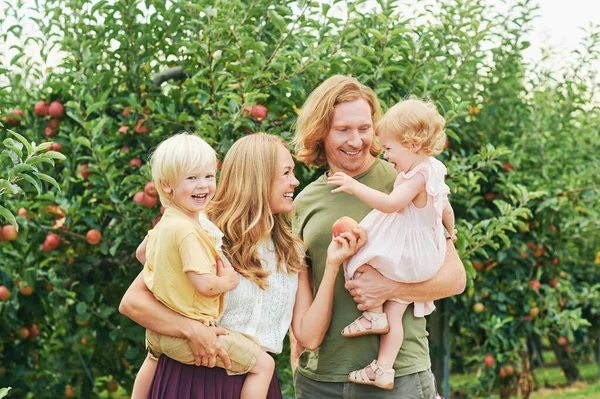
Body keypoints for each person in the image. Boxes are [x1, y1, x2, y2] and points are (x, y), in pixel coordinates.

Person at [119, 133, 366, 399]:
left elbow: (309, 337)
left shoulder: (291, 251)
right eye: (285, 173)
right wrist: (192, 330)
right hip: (191, 378)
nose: (294, 182)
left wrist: (332, 264)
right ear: (258, 178)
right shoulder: (202, 231)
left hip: (255, 385)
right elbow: (132, 302)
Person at [291, 75, 466, 398]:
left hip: (398, 378)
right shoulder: (304, 202)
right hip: (320, 381)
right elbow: (300, 293)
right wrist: (298, 361)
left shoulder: (407, 181)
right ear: (320, 132)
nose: (355, 141)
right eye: (343, 130)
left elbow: (455, 279)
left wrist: (391, 288)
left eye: (364, 128)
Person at [130, 132, 274, 399]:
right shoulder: (188, 231)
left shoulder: (166, 224)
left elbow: (142, 253)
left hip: (159, 332)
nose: (204, 185)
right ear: (167, 185)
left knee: (151, 360)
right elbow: (206, 285)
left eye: (209, 176)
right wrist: (228, 281)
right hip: (188, 334)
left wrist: (169, 273)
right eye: (192, 178)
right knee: (264, 365)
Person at [326, 98, 456, 390]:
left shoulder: (418, 174)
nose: (386, 156)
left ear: (411, 143)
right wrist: (451, 229)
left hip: (414, 255)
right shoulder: (434, 169)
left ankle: (372, 313)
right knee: (394, 315)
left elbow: (391, 204)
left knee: (361, 255)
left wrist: (354, 185)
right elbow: (445, 207)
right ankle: (383, 369)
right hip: (426, 256)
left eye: (389, 149)